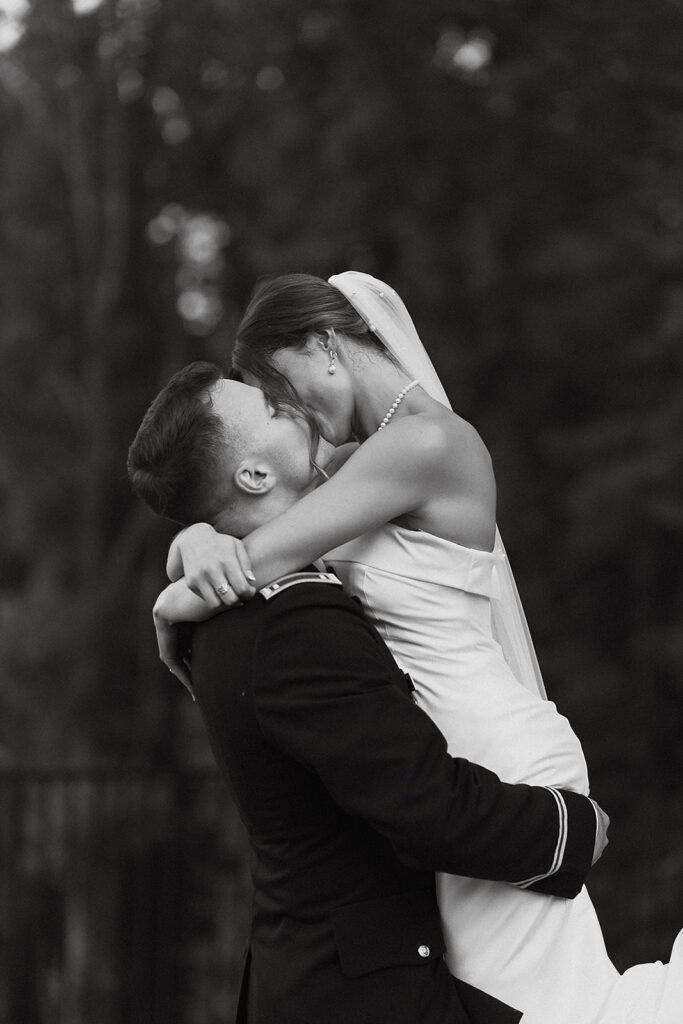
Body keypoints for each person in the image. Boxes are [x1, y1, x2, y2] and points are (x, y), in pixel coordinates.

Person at [152, 273, 683, 1023]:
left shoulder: (429, 443)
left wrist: (174, 597)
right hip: (451, 763)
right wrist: (195, 532)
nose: (292, 410)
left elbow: (261, 553)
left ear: (325, 346)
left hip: (489, 758)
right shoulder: (346, 467)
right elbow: (245, 505)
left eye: (280, 386)